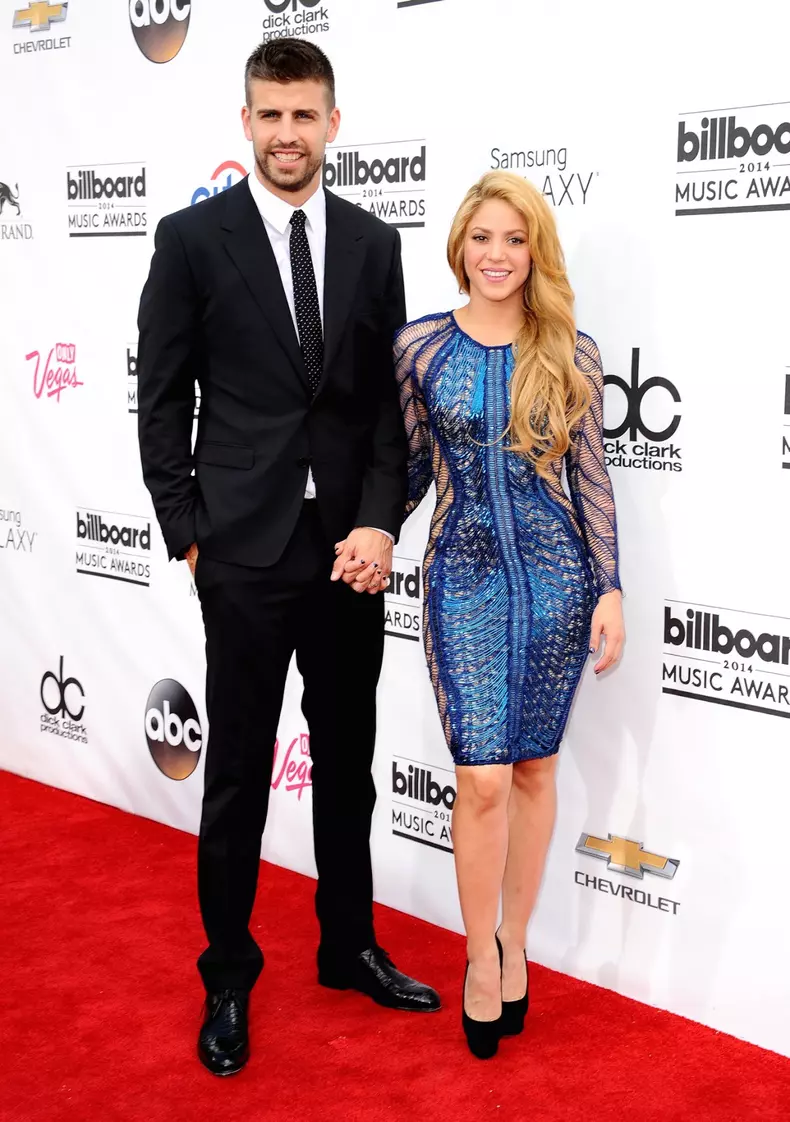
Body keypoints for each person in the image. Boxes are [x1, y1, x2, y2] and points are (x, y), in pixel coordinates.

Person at [136, 38, 440, 1078]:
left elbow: (389, 411)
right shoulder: (191, 240)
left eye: (304, 116)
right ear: (245, 122)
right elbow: (162, 394)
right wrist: (188, 526)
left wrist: (381, 521)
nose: (286, 135)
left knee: (346, 760)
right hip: (245, 551)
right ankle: (227, 974)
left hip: (346, 554)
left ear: (333, 124)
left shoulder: (370, 240)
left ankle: (347, 945)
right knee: (236, 774)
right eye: (269, 115)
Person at [384, 171, 624, 1058]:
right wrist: (357, 532)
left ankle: (516, 944)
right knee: (481, 777)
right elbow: (405, 472)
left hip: (559, 579)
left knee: (532, 773)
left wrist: (609, 586)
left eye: (514, 240)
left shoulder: (570, 352)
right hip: (462, 577)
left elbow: (590, 478)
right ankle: (478, 954)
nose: (496, 255)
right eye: (482, 237)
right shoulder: (419, 350)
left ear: (535, 254)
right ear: (460, 246)